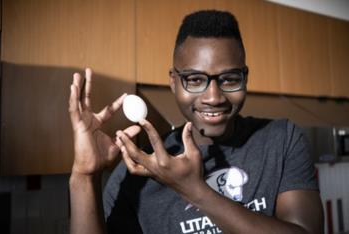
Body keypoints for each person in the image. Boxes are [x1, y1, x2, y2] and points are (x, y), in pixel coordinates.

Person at [69, 10, 324, 234]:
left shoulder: (281, 140)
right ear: (173, 81)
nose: (214, 97)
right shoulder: (141, 168)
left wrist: (194, 190)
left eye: (230, 79)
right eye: (194, 80)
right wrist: (84, 175)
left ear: (245, 78)